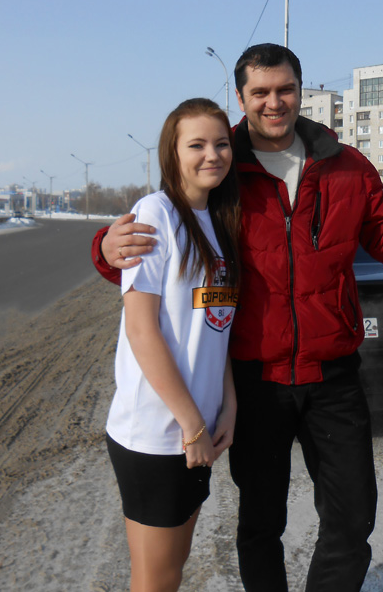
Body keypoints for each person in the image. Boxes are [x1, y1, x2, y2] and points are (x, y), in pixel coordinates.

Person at [92, 44, 383, 591]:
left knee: (352, 520)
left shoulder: (346, 166)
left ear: (301, 90)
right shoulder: (224, 164)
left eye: (284, 89)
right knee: (262, 522)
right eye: (260, 92)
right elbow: (170, 222)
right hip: (256, 378)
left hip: (332, 375)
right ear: (241, 99)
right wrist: (105, 247)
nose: (274, 102)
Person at [104, 97, 241, 592]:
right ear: (172, 153)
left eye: (221, 144)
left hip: (196, 433)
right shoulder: (156, 213)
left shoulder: (220, 223)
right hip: (157, 434)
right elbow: (142, 330)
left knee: (173, 567)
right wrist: (191, 424)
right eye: (196, 145)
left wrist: (228, 405)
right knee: (156, 580)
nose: (212, 155)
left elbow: (216, 328)